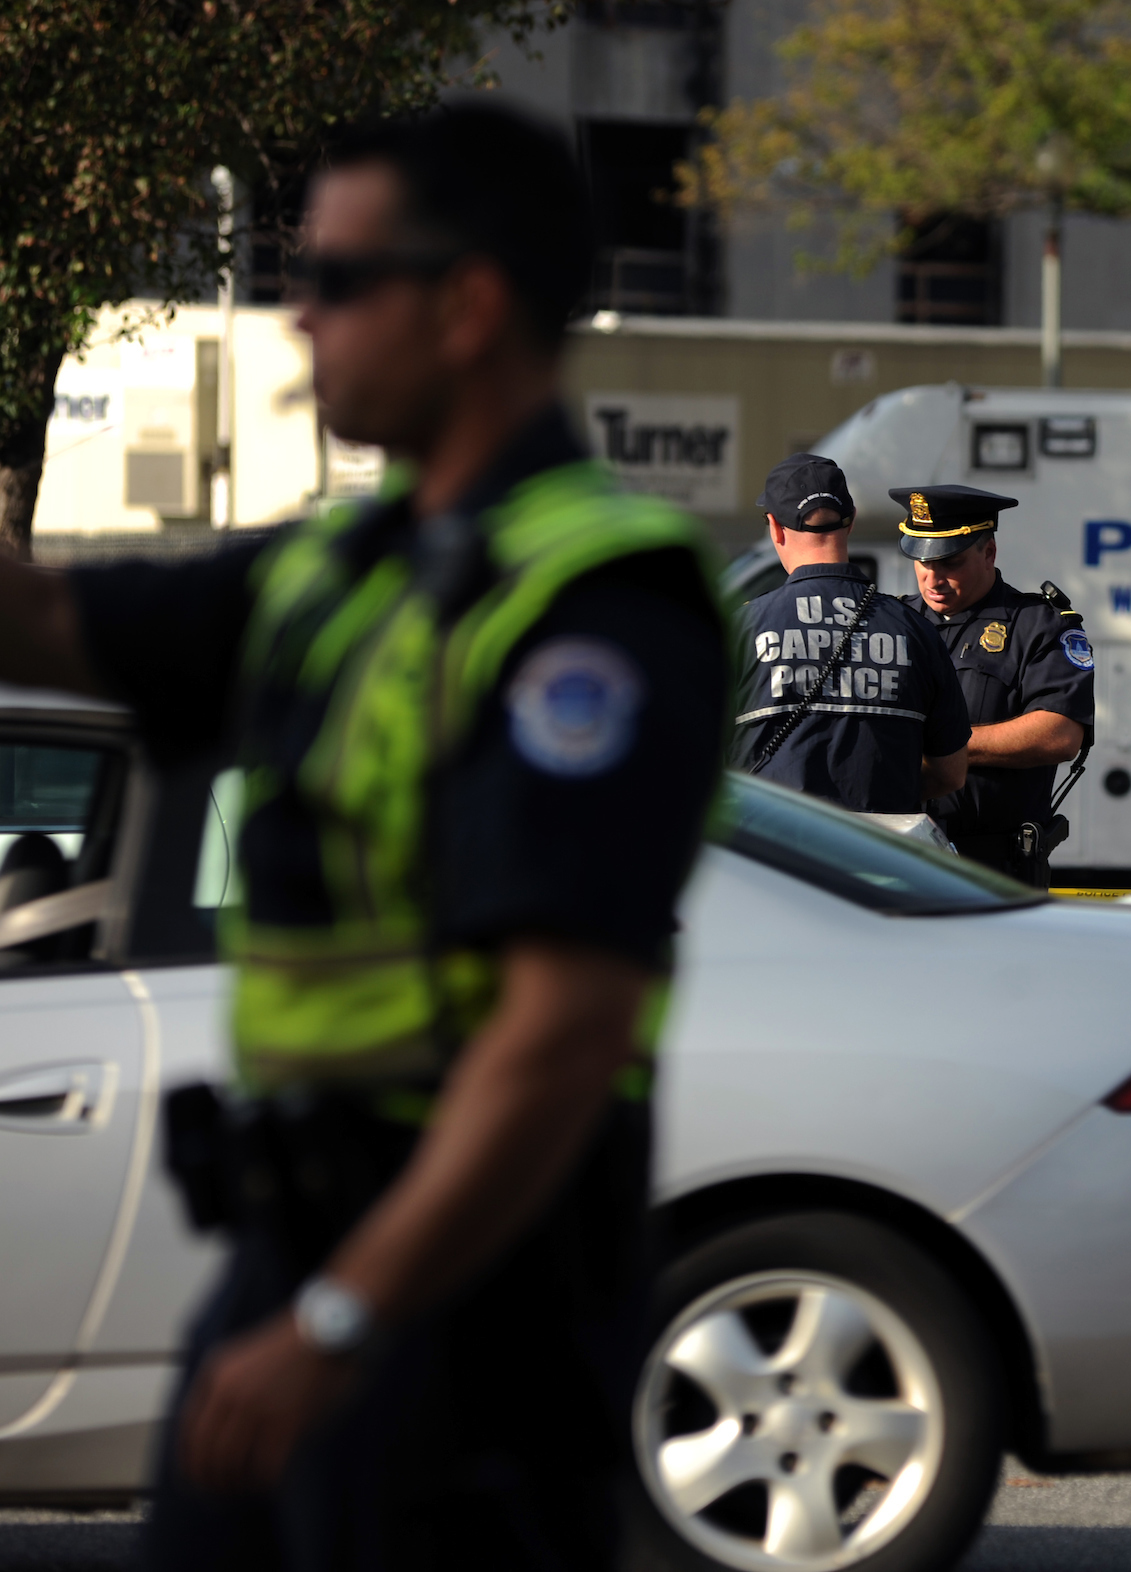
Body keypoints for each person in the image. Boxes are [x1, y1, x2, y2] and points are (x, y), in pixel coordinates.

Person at [0, 106, 726, 1568]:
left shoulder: (600, 606)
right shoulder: (337, 563)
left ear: (464, 305)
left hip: (465, 1313)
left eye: (333, 281)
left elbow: (564, 1027)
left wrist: (349, 1316)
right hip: (295, 1259)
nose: (296, 319)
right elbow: (54, 624)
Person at [733, 455, 970, 816]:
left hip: (771, 859)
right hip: (875, 861)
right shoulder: (916, 630)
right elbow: (951, 774)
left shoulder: (741, 628)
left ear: (775, 528)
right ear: (851, 521)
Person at [897, 484, 1096, 886]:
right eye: (921, 560)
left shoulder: (1036, 626)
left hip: (994, 868)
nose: (932, 577)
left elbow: (1060, 734)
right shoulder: (892, 622)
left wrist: (947, 747)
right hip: (901, 859)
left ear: (988, 552)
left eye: (949, 561)